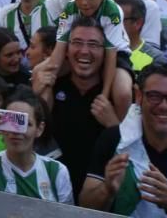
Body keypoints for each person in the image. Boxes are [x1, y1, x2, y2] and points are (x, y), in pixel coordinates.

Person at [80, 62, 167, 215]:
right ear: (139, 96)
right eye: (154, 96)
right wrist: (107, 189)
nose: (164, 106)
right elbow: (84, 207)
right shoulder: (113, 140)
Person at [35, 16, 121, 199]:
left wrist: (114, 125)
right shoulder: (53, 86)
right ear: (66, 49)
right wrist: (36, 94)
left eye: (93, 44)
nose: (84, 51)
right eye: (77, 43)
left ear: (105, 52)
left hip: (97, 200)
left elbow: (132, 155)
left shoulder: (115, 95)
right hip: (51, 196)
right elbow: (32, 135)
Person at [0, 91, 74, 204]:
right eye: (10, 122)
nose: (16, 131)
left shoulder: (57, 171)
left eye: (25, 124)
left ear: (39, 129)